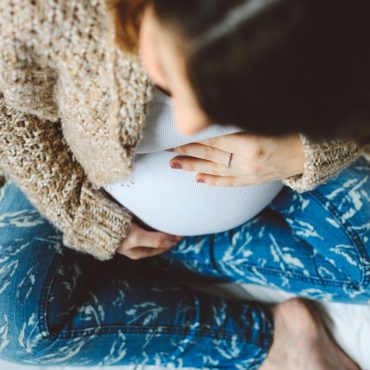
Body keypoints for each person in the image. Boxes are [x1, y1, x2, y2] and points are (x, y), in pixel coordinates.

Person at [0, 0, 368, 369]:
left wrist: (301, 153)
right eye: (169, 78)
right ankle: (263, 339)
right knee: (16, 324)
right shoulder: (38, 11)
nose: (191, 124)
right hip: (73, 178)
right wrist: (81, 215)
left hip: (271, 192)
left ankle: (158, 265)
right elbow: (8, 108)